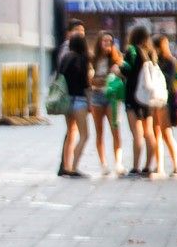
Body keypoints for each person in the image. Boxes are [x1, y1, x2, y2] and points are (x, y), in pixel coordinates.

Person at [121, 25, 158, 176]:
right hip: (147, 97)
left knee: (136, 133)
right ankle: (148, 166)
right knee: (149, 132)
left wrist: (118, 69)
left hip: (133, 95)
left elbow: (125, 70)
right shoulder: (151, 53)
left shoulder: (131, 51)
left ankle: (135, 167)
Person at [89, 31, 124, 176]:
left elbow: (121, 76)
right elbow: (91, 80)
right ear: (99, 42)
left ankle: (118, 163)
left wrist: (101, 79)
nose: (107, 44)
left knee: (115, 129)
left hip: (112, 97)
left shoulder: (117, 59)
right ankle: (103, 164)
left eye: (110, 41)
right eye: (105, 41)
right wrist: (104, 79)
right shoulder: (93, 58)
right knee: (99, 132)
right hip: (96, 97)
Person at [57, 34, 92, 177]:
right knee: (84, 135)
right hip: (79, 100)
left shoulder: (65, 58)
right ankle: (74, 167)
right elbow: (86, 84)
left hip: (66, 100)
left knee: (70, 132)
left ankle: (65, 167)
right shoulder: (83, 59)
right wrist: (89, 102)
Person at [152, 34, 177, 177]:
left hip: (165, 100)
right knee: (156, 134)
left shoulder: (170, 61)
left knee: (166, 133)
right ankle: (159, 167)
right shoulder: (153, 61)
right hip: (154, 99)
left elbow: (169, 80)